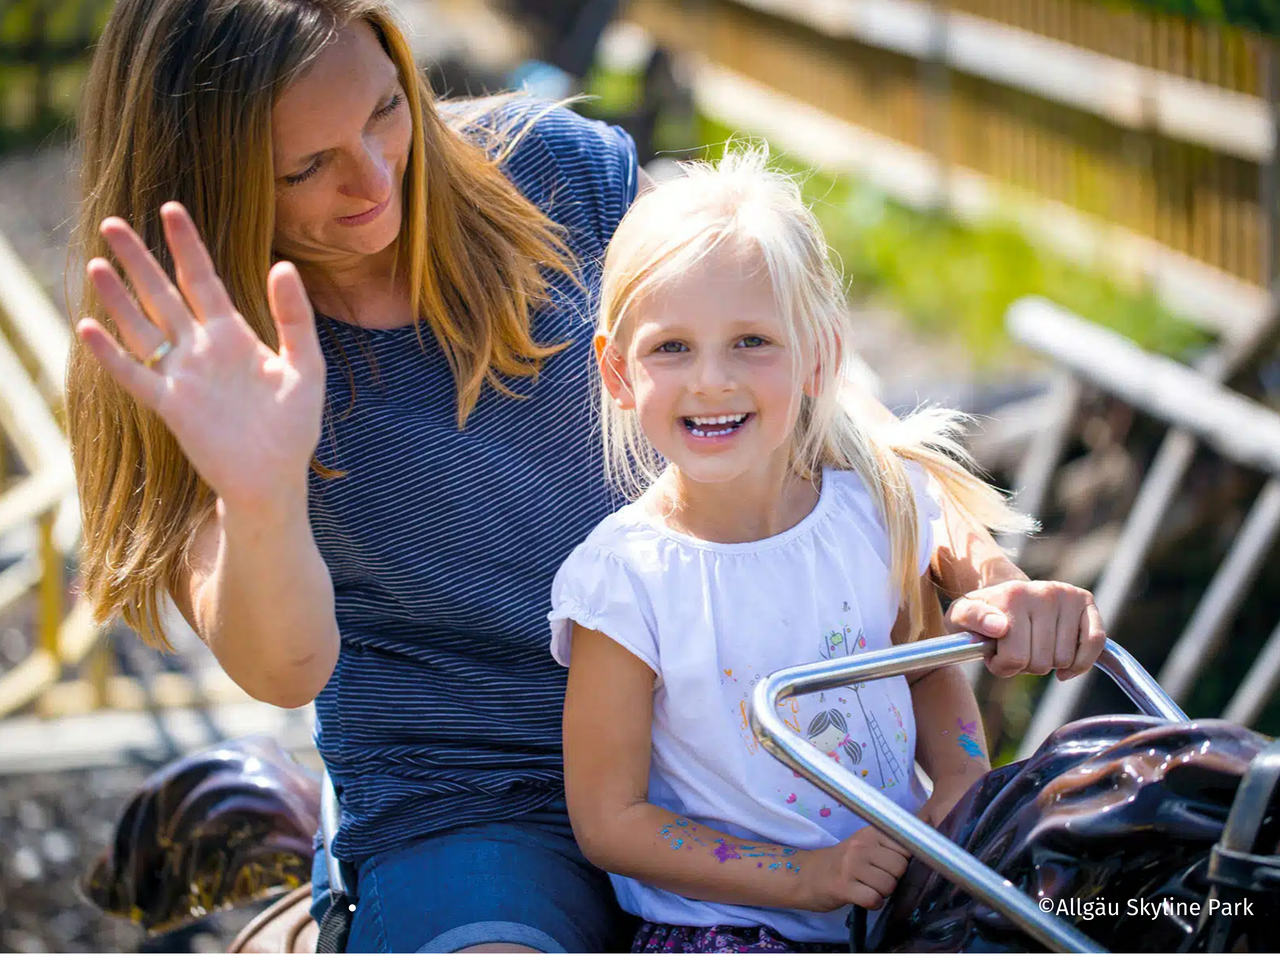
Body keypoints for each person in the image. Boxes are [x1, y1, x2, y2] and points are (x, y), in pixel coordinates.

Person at [64, 0, 1102, 952]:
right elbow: (283, 670)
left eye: (388, 110)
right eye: (305, 169)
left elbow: (801, 387)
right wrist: (261, 490)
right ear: (202, 178)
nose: (376, 180)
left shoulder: (548, 175)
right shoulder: (181, 354)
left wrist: (976, 571)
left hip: (749, 736)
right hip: (482, 797)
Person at [551, 150, 1103, 952]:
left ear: (818, 358)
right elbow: (610, 819)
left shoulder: (870, 514)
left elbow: (921, 667)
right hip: (734, 929)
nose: (711, 380)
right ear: (617, 370)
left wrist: (959, 784)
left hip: (903, 900)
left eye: (751, 341)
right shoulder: (624, 581)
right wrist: (805, 876)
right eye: (672, 348)